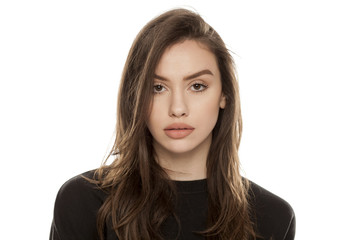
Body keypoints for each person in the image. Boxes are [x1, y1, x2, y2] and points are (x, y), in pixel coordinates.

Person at [49, 8, 295, 240]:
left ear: (224, 95)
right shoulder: (83, 202)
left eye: (197, 86)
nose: (177, 108)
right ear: (136, 97)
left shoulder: (272, 218)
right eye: (158, 88)